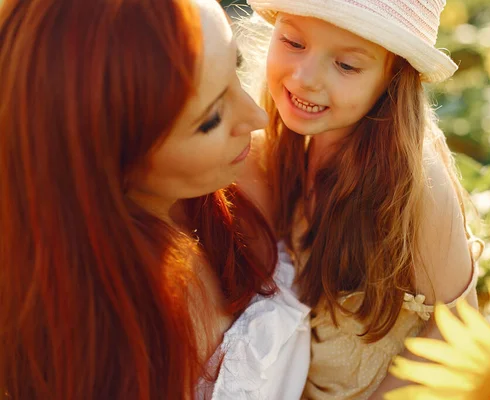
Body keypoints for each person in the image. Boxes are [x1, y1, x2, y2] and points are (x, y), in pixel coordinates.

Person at [0, 0, 309, 399]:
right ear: (109, 159)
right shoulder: (78, 339)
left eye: (237, 67)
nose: (257, 117)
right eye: (211, 119)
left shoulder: (253, 171)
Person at [245, 0, 485, 398]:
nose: (305, 78)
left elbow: (456, 325)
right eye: (292, 41)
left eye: (347, 66)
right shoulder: (273, 149)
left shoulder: (414, 180)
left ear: (393, 79)